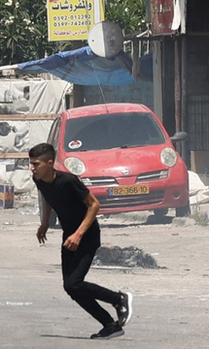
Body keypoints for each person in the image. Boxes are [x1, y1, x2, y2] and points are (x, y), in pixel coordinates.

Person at [29, 142, 133, 340]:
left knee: (74, 283)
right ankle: (110, 325)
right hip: (68, 235)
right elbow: (47, 197)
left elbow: (94, 205)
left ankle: (119, 298)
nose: (32, 168)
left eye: (36, 164)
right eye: (31, 164)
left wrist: (78, 234)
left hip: (87, 235)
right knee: (70, 287)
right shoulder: (39, 179)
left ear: (49, 163)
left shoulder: (68, 181)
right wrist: (44, 222)